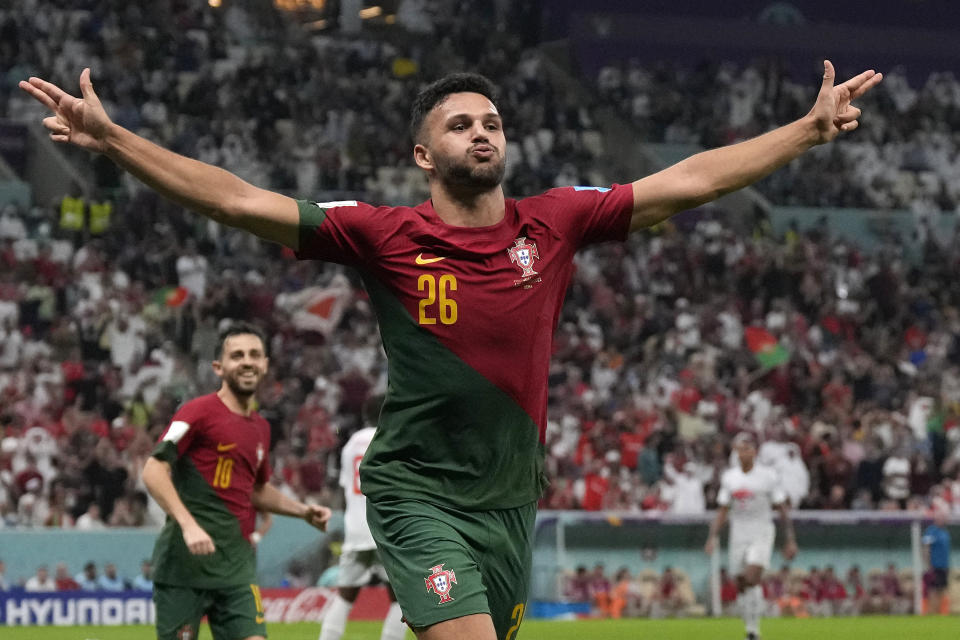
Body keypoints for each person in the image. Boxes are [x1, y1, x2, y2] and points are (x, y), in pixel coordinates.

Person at [20, 60, 880, 640]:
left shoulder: (558, 220)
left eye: (492, 121)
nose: (483, 131)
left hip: (509, 497)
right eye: (462, 123)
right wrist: (116, 141)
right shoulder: (384, 235)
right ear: (423, 153)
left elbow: (689, 180)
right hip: (416, 490)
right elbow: (242, 201)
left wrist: (806, 131)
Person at [139, 323, 332, 640]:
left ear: (265, 364)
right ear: (219, 367)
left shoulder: (260, 427)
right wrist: (188, 525)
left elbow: (256, 490)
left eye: (255, 355)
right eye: (237, 355)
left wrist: (302, 511)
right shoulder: (196, 413)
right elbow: (153, 468)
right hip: (184, 569)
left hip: (237, 569)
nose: (247, 361)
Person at [318, 395, 406, 640]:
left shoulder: (350, 445)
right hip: (385, 528)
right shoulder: (390, 438)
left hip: (356, 529)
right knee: (400, 599)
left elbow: (347, 488)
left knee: (345, 595)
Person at [705, 432, 797, 640]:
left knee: (751, 575)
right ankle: (750, 626)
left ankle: (754, 631)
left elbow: (782, 508)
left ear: (754, 452)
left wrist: (790, 539)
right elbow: (722, 511)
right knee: (740, 582)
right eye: (740, 448)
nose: (744, 452)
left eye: (748, 448)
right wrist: (712, 537)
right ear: (737, 452)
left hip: (762, 530)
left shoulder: (768, 476)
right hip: (738, 532)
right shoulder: (730, 478)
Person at [923, 505, 952, 615]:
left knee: (942, 590)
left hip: (944, 566)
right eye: (940, 517)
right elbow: (926, 548)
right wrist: (928, 564)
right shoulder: (931, 531)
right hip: (935, 566)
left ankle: (939, 612)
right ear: (936, 518)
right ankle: (931, 612)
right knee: (933, 590)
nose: (942, 519)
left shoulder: (945, 532)